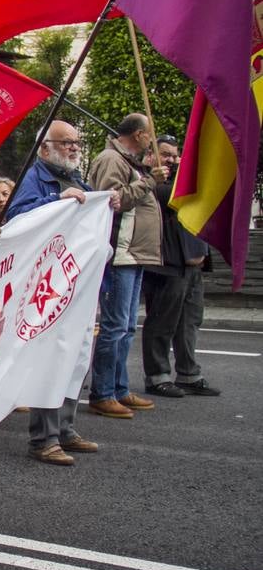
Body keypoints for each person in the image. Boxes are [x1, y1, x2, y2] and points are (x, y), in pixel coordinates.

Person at [7, 119, 112, 460]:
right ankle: (44, 438)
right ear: (45, 147)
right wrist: (55, 202)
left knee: (76, 355)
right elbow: (19, 218)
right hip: (49, 285)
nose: (73, 148)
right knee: (51, 357)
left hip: (76, 283)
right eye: (66, 142)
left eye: (76, 143)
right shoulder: (34, 178)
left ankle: (65, 428)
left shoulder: (75, 178)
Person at [86, 113, 167, 419]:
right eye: (149, 133)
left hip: (135, 253)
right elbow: (112, 201)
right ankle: (103, 392)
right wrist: (148, 181)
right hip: (121, 253)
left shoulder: (130, 161)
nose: (152, 139)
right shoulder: (111, 159)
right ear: (137, 134)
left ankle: (119, 388)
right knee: (115, 326)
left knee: (127, 326)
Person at [141, 135, 220, 400]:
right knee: (162, 323)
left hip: (193, 265)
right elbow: (172, 198)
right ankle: (157, 376)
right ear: (151, 156)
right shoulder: (150, 183)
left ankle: (188, 374)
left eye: (175, 155)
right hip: (167, 266)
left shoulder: (180, 180)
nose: (172, 160)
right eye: (165, 154)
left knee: (189, 323)